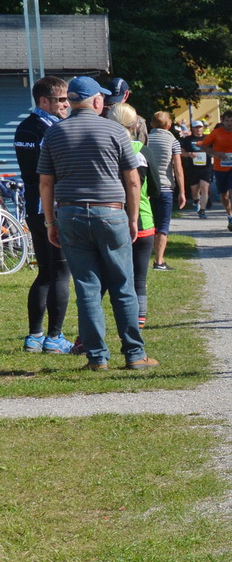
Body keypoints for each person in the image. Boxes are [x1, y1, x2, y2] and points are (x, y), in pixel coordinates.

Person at [35, 76, 157, 371]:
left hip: (70, 214)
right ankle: (134, 354)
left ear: (71, 101)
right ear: (98, 101)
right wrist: (132, 218)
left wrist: (50, 222)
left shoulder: (54, 133)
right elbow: (132, 180)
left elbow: (46, 183)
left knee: (87, 287)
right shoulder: (115, 130)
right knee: (123, 285)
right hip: (111, 212)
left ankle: (97, 357)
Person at [15, 75, 77, 355]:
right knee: (60, 273)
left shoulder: (24, 127)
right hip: (51, 208)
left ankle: (34, 336)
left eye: (67, 99)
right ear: (43, 101)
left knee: (45, 273)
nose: (67, 104)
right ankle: (54, 337)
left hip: (33, 207)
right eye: (61, 99)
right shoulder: (53, 130)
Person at [110, 105, 159, 324]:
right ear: (135, 126)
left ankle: (106, 320)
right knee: (139, 276)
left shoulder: (105, 149)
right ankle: (139, 318)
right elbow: (157, 188)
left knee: (111, 276)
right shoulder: (144, 151)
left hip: (113, 217)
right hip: (143, 220)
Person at [144, 111, 184, 271]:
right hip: (166, 187)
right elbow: (178, 168)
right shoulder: (173, 141)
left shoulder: (145, 139)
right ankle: (159, 261)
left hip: (147, 188)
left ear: (151, 124)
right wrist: (182, 191)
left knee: (147, 222)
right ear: (169, 125)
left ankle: (143, 256)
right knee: (163, 225)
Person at [201, 111, 232, 232]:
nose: (229, 123)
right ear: (223, 121)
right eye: (227, 120)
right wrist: (215, 153)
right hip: (220, 168)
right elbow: (203, 146)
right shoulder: (216, 133)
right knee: (224, 195)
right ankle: (229, 214)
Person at [180, 119, 211, 217]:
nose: (198, 129)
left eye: (200, 127)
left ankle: (202, 210)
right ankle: (196, 200)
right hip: (193, 168)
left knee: (204, 187)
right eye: (196, 127)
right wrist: (189, 154)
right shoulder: (188, 140)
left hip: (206, 167)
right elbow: (181, 152)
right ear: (192, 129)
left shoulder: (208, 138)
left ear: (203, 128)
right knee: (194, 190)